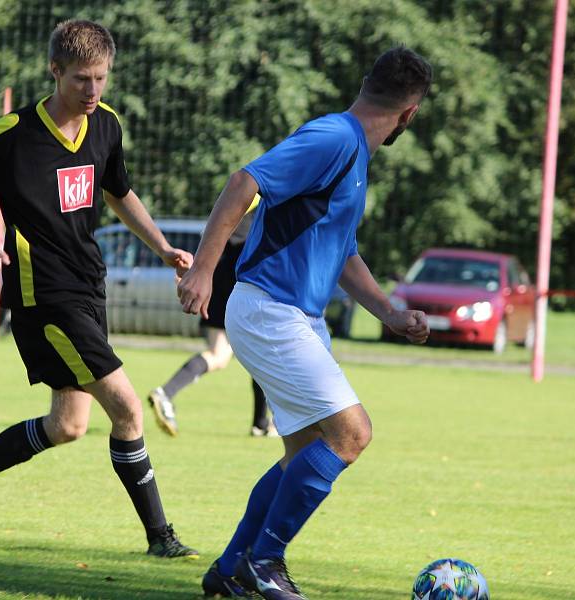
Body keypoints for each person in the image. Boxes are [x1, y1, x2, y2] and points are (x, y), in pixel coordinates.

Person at [0, 19, 198, 559]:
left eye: (101, 79)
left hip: (90, 284)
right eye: (81, 80)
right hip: (42, 294)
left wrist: (162, 246)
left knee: (67, 425)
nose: (92, 91)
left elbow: (120, 192)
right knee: (128, 409)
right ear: (54, 71)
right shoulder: (14, 134)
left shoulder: (106, 124)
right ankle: (161, 537)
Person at [178, 46, 433, 598]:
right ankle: (265, 562)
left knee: (301, 456)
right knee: (352, 433)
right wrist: (203, 268)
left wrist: (389, 312)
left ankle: (229, 571)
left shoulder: (351, 152)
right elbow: (243, 182)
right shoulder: (335, 139)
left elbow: (342, 253)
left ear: (366, 81)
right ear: (409, 114)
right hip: (271, 309)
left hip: (293, 315)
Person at [148, 201, 278, 439]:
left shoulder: (241, 201)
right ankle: (260, 423)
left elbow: (215, 235)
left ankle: (260, 423)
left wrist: (197, 272)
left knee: (223, 354)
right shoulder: (264, 201)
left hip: (219, 283)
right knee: (256, 353)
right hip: (237, 285)